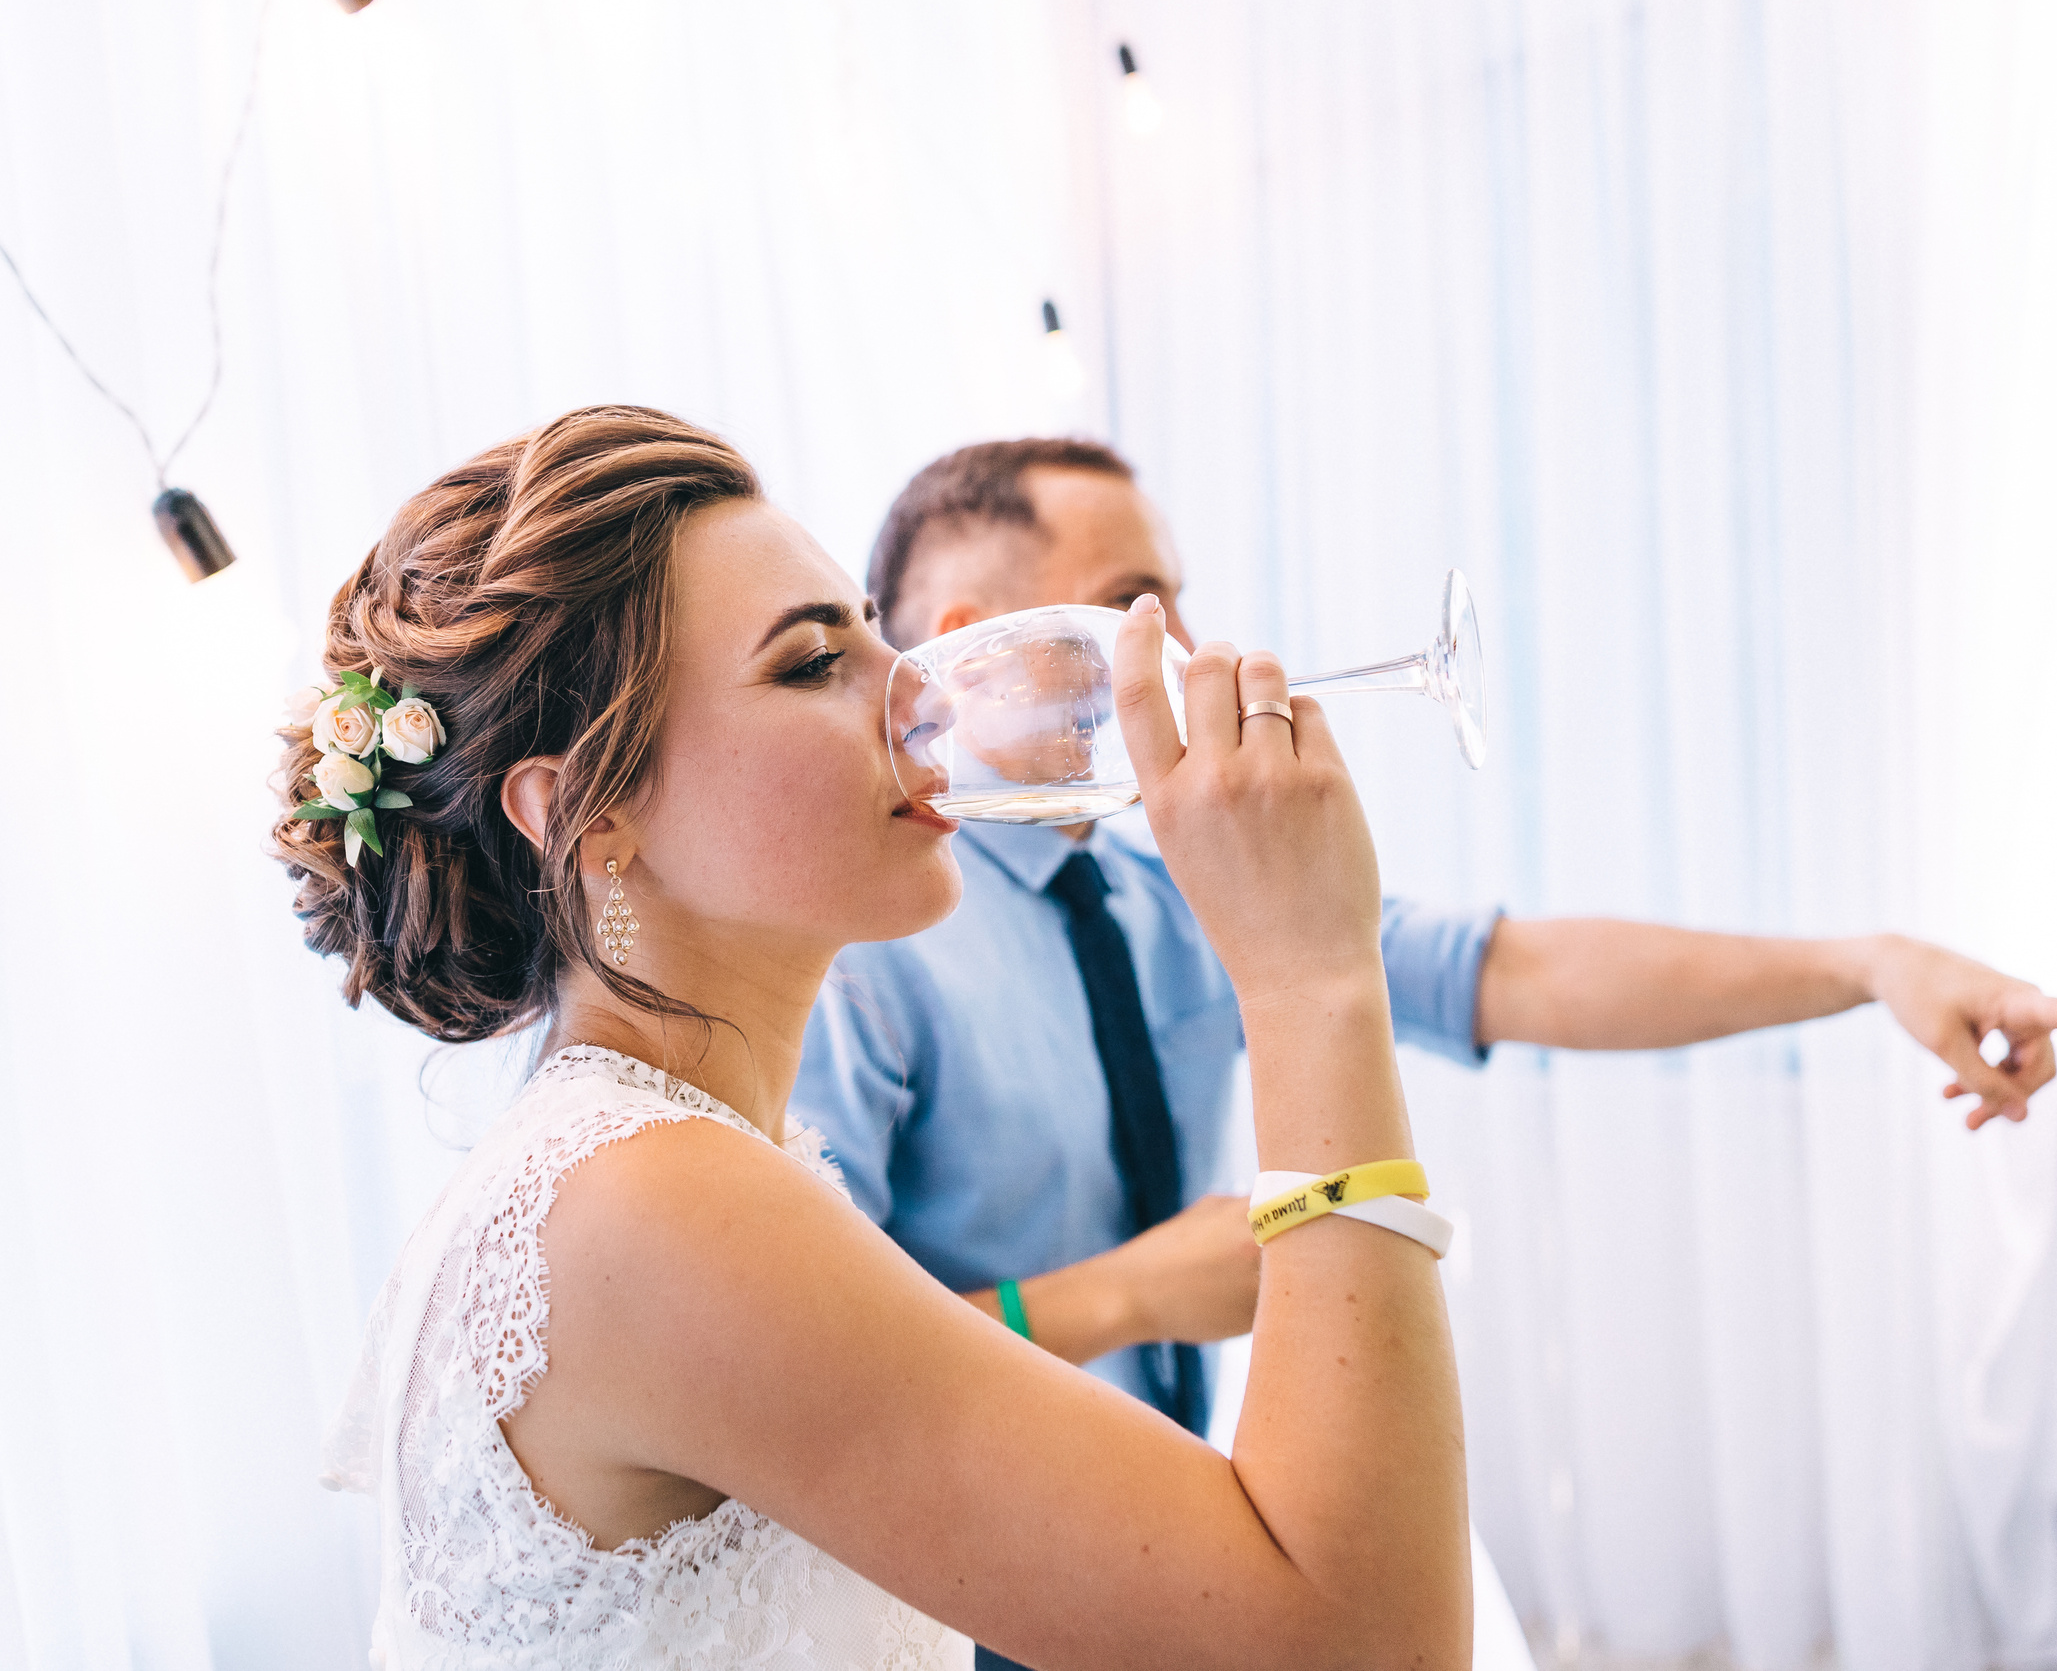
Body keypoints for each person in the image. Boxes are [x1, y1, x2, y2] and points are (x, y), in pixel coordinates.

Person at [286, 406, 1472, 1670]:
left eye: (874, 632)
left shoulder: (664, 1163)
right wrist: (1306, 975)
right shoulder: (646, 1206)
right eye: (810, 664)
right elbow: (1358, 1647)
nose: (916, 694)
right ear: (590, 814)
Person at [794, 433, 2057, 1443]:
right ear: (992, 639)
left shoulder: (1175, 894)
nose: (1195, 642)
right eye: (1143, 597)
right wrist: (1126, 1292)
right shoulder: (852, 963)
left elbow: (1511, 969)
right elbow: (807, 1381)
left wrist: (1870, 964)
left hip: (1154, 1520)